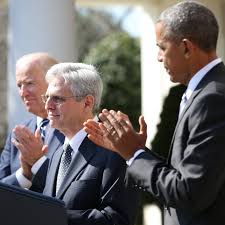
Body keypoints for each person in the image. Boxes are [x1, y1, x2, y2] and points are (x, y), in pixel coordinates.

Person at [84, 1, 225, 225]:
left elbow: (189, 192)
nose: (158, 57)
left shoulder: (213, 98)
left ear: (187, 48)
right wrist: (135, 152)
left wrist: (134, 155)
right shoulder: (202, 91)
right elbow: (185, 175)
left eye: (162, 47)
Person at [14, 63, 138, 225]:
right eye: (47, 97)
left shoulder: (114, 150)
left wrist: (52, 215)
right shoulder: (58, 153)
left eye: (57, 98)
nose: (48, 106)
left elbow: (117, 219)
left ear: (87, 103)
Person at [0, 52, 64, 191]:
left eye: (29, 83)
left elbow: (71, 190)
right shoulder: (19, 133)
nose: (23, 93)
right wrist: (24, 175)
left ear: (54, 82)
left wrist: (38, 163)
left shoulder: (74, 128)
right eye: (19, 85)